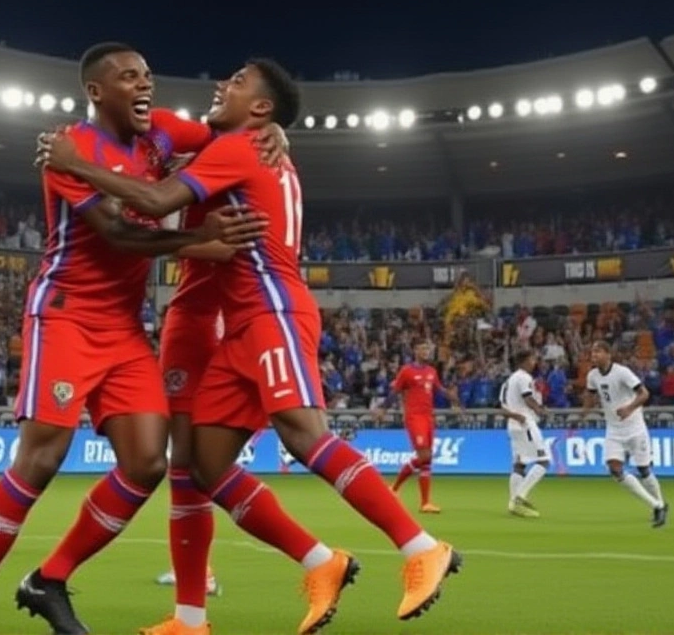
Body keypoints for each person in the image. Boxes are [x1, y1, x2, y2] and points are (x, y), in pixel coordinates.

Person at [39, 58, 459, 633]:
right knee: (200, 464)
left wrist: (75, 164)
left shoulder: (240, 147)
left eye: (236, 82)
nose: (221, 84)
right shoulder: (231, 143)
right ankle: (259, 588)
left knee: (303, 433)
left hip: (269, 309)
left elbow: (158, 202)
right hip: (235, 322)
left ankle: (421, 547)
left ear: (260, 109)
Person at [0, 42, 267, 635]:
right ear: (96, 91)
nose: (145, 86)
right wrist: (200, 239)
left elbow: (228, 134)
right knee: (41, 460)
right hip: (65, 315)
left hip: (124, 327)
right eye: (129, 78)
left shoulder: (159, 133)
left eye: (148, 76)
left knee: (146, 463)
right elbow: (119, 234)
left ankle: (49, 579)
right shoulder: (67, 151)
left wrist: (274, 132)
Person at [582, 341, 668, 527]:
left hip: (635, 428)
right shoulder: (592, 376)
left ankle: (660, 503)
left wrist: (629, 408)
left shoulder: (622, 372)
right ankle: (657, 505)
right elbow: (590, 396)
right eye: (592, 352)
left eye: (598, 352)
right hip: (613, 430)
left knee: (644, 469)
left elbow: (644, 394)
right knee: (615, 469)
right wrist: (584, 413)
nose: (594, 355)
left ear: (608, 354)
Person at [389, 341, 463, 513]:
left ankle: (425, 503)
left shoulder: (431, 371)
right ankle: (394, 487)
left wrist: (454, 399)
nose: (426, 351)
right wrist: (383, 408)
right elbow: (395, 391)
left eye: (428, 349)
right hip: (414, 418)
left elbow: (439, 389)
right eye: (422, 348)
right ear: (415, 351)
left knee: (427, 461)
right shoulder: (407, 371)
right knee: (424, 456)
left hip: (428, 418)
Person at [500, 350, 548, 518]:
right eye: (532, 359)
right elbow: (528, 398)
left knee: (519, 465)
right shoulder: (524, 377)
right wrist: (540, 410)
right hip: (525, 424)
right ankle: (520, 498)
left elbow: (502, 407)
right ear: (524, 361)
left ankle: (512, 503)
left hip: (513, 425)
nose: (534, 362)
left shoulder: (508, 381)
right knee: (544, 461)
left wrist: (514, 415)